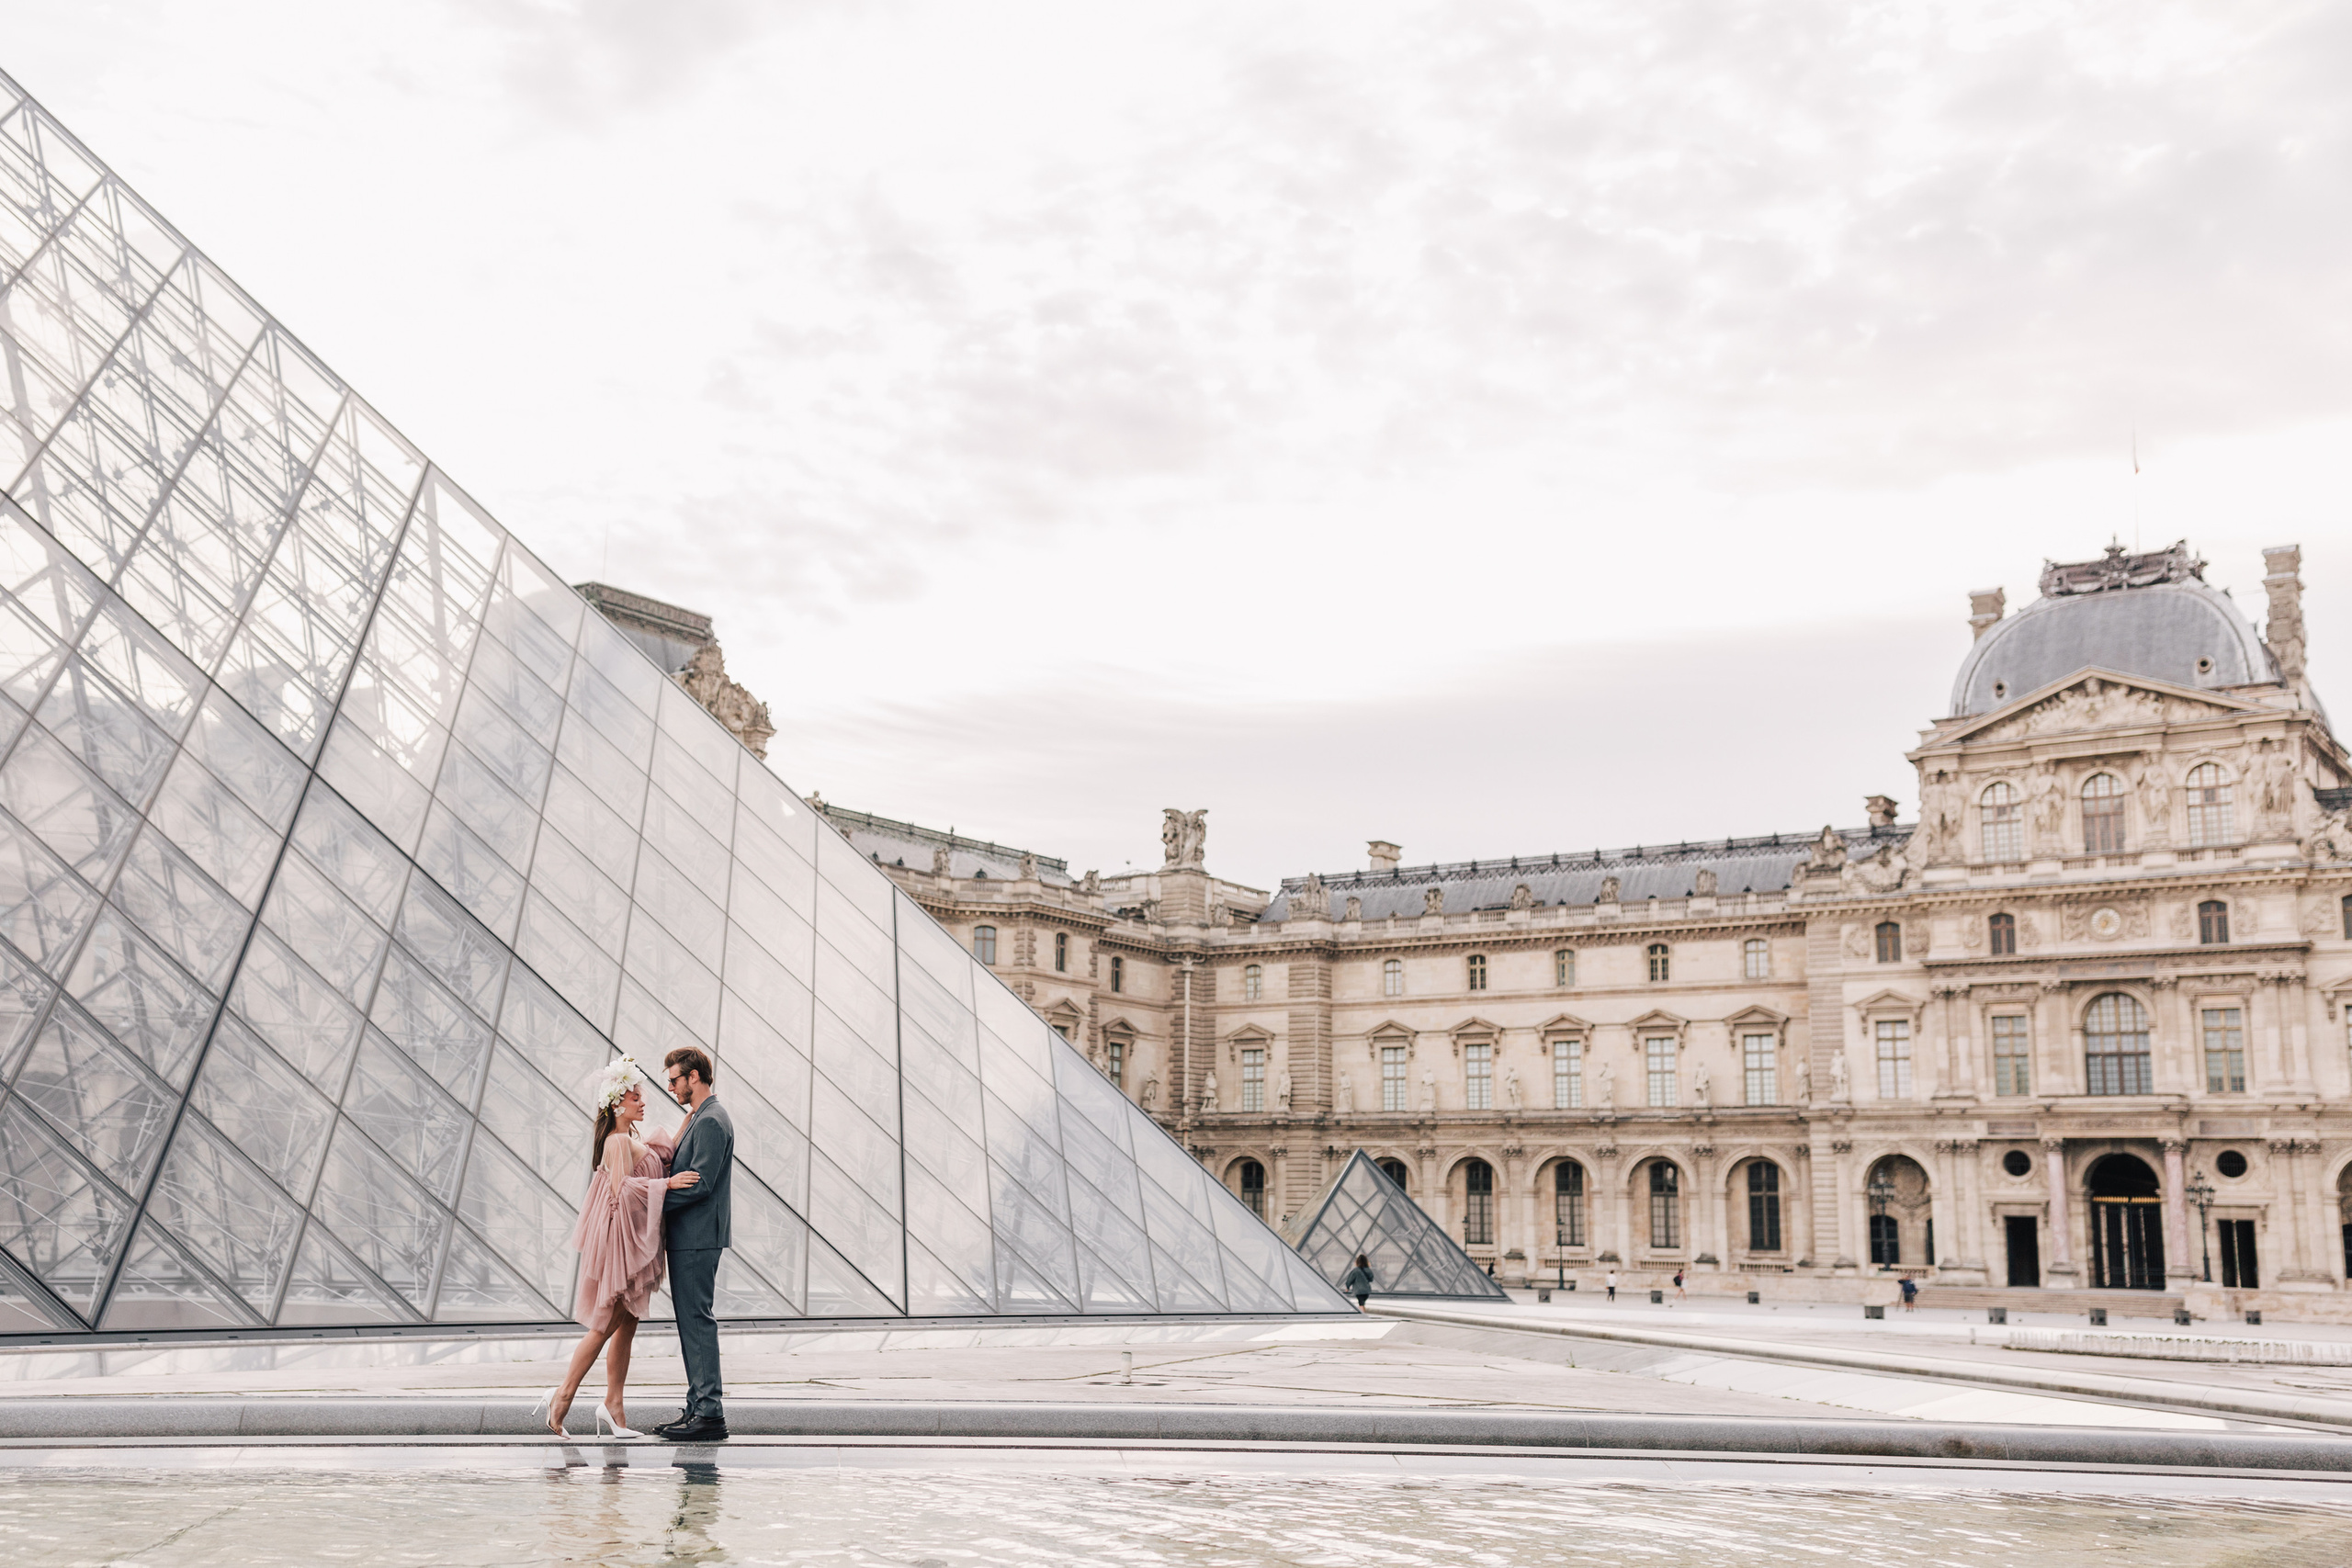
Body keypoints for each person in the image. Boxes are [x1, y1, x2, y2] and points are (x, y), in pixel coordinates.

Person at [537, 1058, 701, 1438]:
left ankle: (614, 1407)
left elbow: (659, 1157)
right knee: (605, 1325)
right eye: (635, 1097)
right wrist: (668, 1186)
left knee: (627, 1325)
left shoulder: (633, 1140)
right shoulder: (616, 1141)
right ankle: (561, 1397)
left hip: (629, 1243)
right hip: (621, 1246)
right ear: (616, 1104)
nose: (642, 1102)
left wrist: (687, 1123)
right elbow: (620, 1192)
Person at [655, 1045, 736, 1443]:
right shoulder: (699, 1117)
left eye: (674, 1079)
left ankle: (708, 1413)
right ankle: (696, 1407)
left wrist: (647, 1201)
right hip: (692, 1236)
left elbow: (700, 1184)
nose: (670, 1086)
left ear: (694, 1077)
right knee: (691, 1322)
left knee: (697, 1321)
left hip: (696, 1237)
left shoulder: (709, 1121)